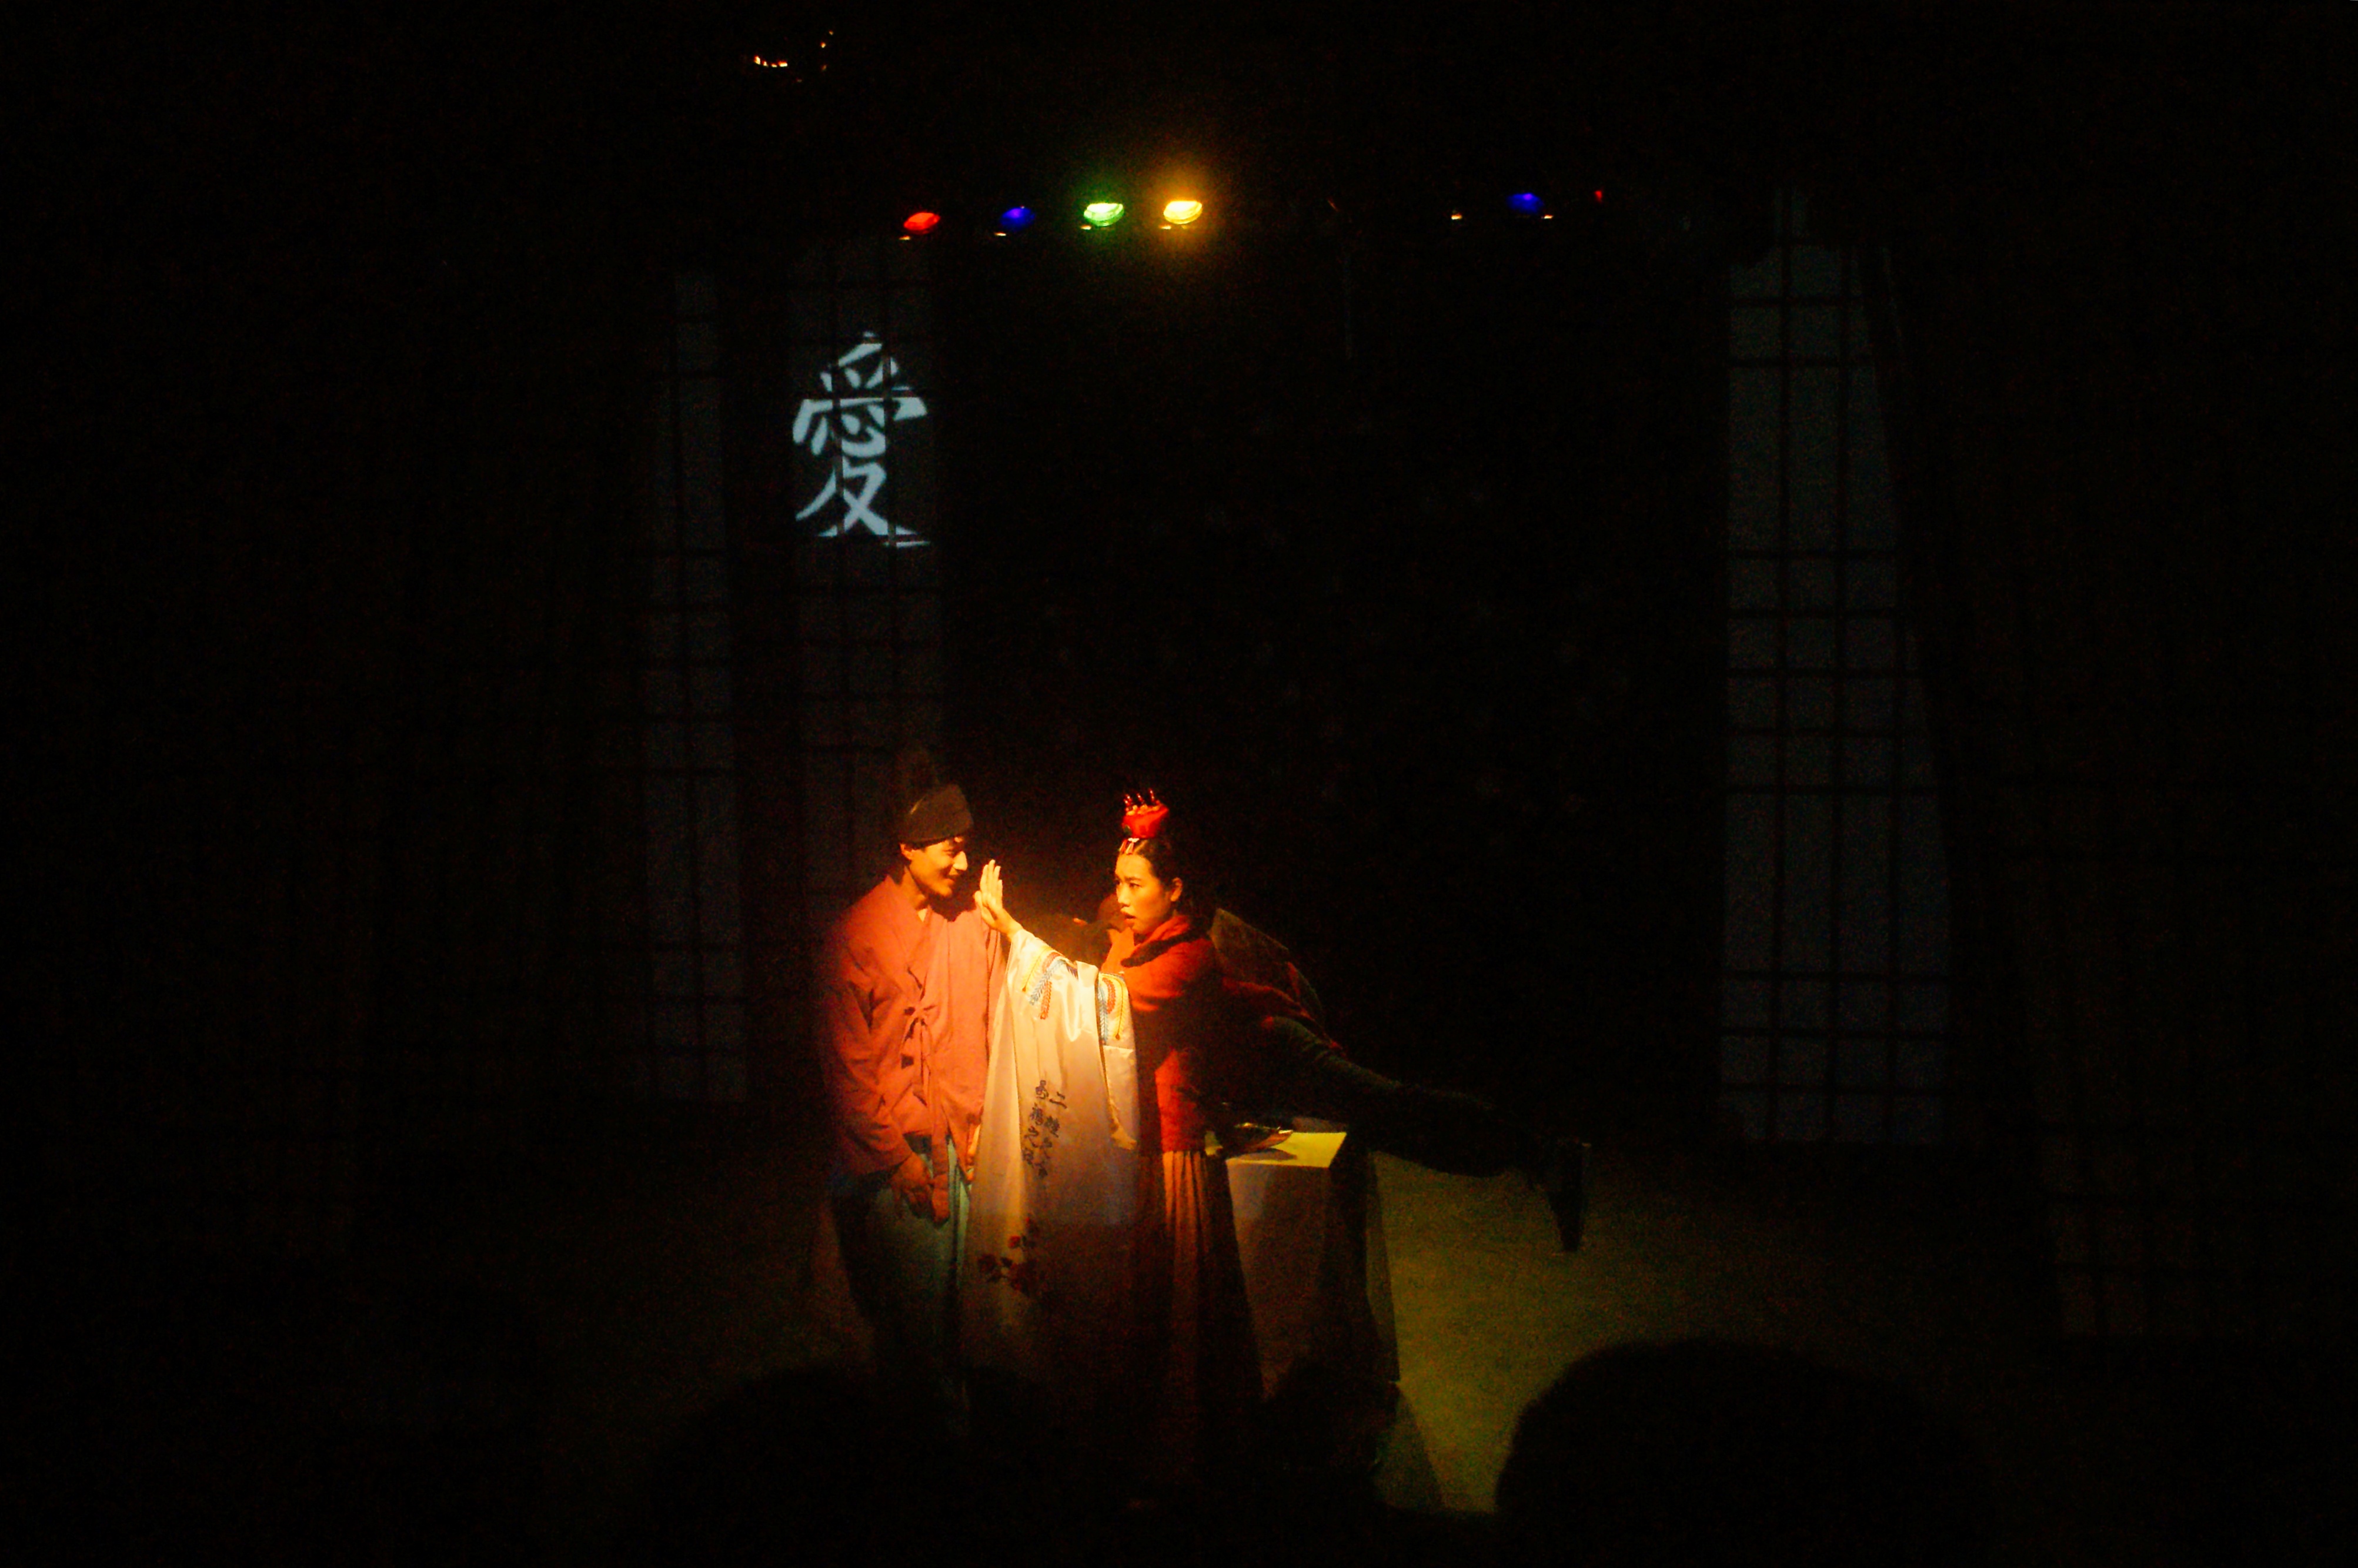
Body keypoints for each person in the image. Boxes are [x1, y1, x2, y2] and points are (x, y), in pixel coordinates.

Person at [817, 753, 1005, 1425]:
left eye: (965, 848)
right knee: (912, 1323)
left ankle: (955, 1431)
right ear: (907, 847)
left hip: (967, 1148)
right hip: (899, 1156)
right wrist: (894, 1158)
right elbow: (848, 1065)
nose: (962, 863)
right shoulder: (855, 934)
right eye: (950, 849)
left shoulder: (971, 923)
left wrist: (1005, 929)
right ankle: (922, 1441)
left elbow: (993, 1025)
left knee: (969, 1312)